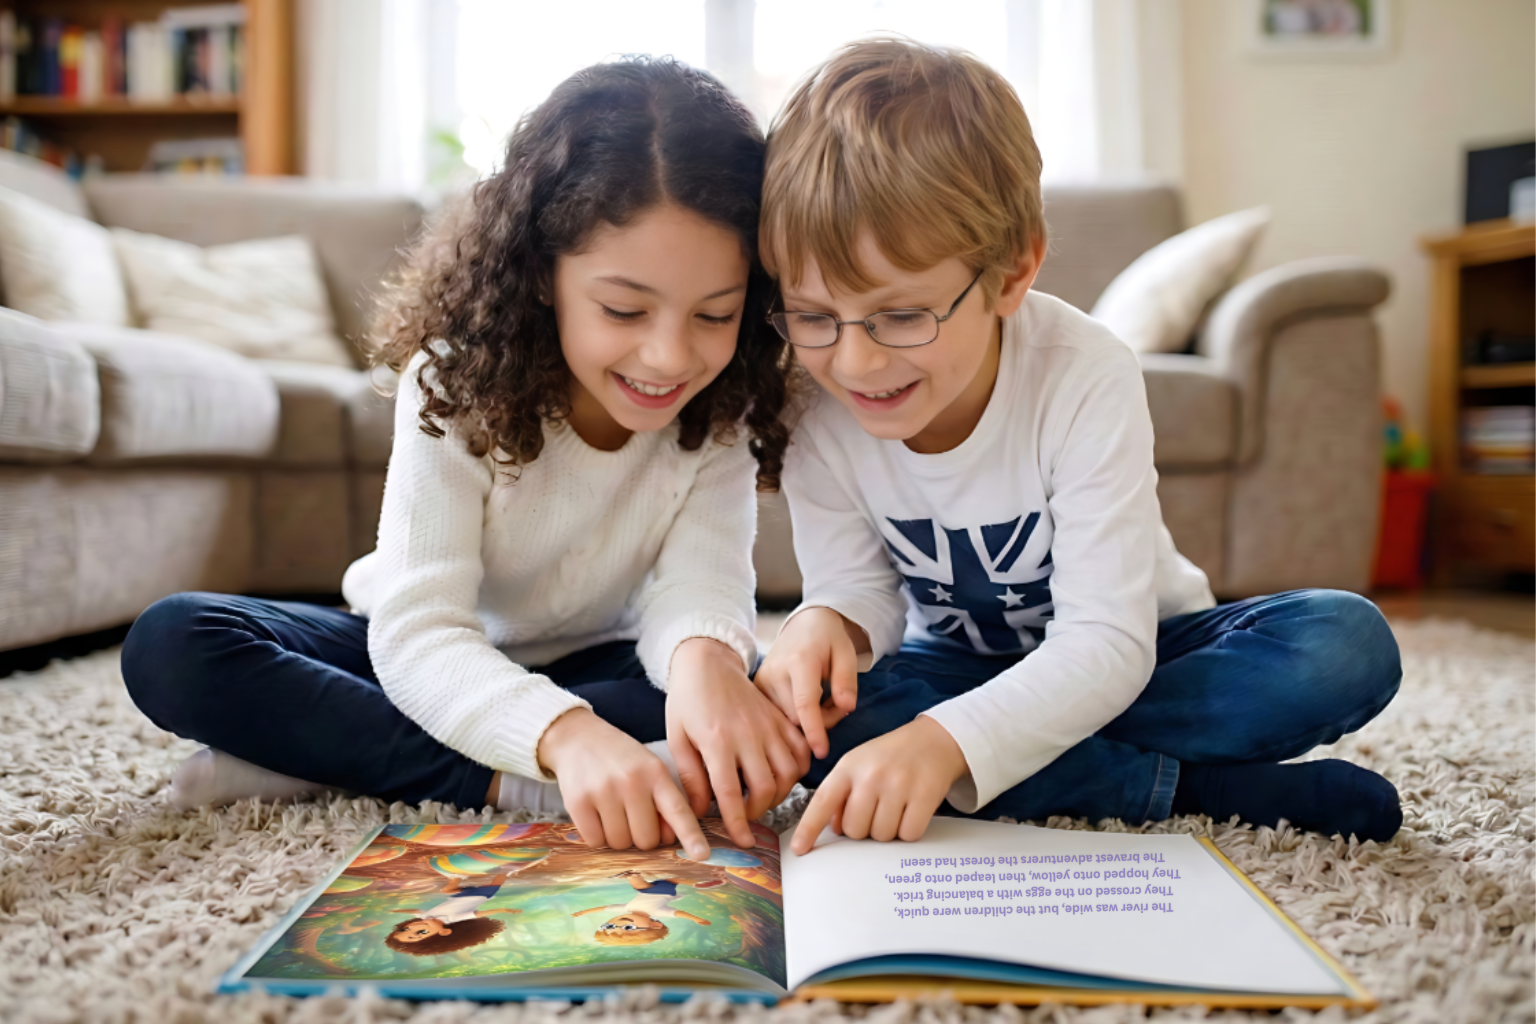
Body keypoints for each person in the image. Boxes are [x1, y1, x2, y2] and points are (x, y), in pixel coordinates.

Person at [120, 57, 813, 861]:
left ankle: (319, 758)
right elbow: (420, 636)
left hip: (592, 658)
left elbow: (699, 588)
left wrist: (705, 664)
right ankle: (517, 783)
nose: (668, 357)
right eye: (624, 309)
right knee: (174, 644)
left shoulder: (720, 406)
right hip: (416, 653)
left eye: (715, 314)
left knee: (746, 699)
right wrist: (566, 740)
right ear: (544, 274)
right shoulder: (455, 380)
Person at [751, 39, 1404, 856]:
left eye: (902, 315)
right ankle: (1194, 789)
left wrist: (945, 746)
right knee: (799, 713)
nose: (855, 361)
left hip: (1140, 655)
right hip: (961, 668)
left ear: (1013, 272)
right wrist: (826, 625)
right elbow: (859, 591)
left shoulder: (1083, 371)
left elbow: (1107, 642)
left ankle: (1025, 769)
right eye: (813, 317)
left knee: (1344, 645)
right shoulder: (816, 401)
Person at [385, 869, 528, 957]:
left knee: (447, 890)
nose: (415, 928)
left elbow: (416, 911)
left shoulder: (425, 917)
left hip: (459, 896)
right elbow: (478, 914)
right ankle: (506, 870)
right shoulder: (452, 919)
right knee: (496, 882)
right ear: (444, 933)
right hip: (480, 896)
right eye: (419, 933)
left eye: (406, 929)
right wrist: (501, 910)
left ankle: (457, 871)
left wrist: (396, 910)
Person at [571, 870, 720, 946]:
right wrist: (697, 919)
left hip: (648, 889)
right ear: (654, 925)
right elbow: (679, 913)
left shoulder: (627, 909)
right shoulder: (657, 912)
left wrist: (583, 912)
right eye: (628, 928)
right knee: (663, 882)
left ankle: (697, 883)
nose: (619, 924)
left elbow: (605, 908)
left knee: (660, 883)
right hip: (662, 892)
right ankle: (631, 875)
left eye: (609, 926)